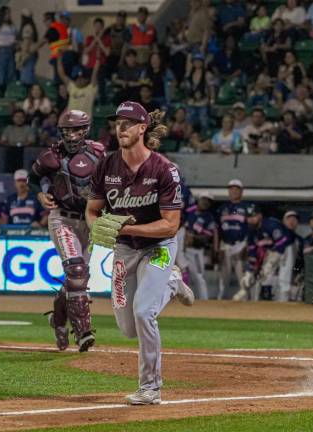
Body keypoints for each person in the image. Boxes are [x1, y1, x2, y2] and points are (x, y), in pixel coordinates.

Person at [86, 101, 194, 405]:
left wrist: (126, 229)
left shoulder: (164, 170)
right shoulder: (106, 166)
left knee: (144, 311)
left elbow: (170, 226)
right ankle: (173, 284)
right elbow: (92, 211)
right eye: (116, 123)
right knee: (127, 327)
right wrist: (97, 227)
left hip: (157, 248)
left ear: (142, 129)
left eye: (126, 123)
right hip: (123, 251)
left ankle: (150, 388)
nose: (119, 128)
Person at [28, 110, 106, 352]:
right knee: (76, 270)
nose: (71, 135)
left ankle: (59, 321)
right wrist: (41, 194)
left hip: (90, 220)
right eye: (66, 131)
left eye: (75, 130)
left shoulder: (98, 152)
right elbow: (33, 178)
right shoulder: (51, 155)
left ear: (85, 130)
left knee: (78, 279)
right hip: (62, 217)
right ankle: (83, 331)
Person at [233, 204, 295, 302]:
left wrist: (270, 263)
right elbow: (252, 252)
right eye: (248, 217)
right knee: (264, 277)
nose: (250, 219)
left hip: (286, 247)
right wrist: (249, 271)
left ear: (260, 216)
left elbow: (281, 245)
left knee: (283, 279)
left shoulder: (271, 225)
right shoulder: (250, 230)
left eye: (253, 216)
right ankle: (259, 305)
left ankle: (284, 305)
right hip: (270, 250)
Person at [217, 179, 249, 299]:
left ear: (241, 192)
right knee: (223, 277)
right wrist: (218, 247)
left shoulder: (246, 207)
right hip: (225, 244)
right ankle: (219, 301)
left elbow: (250, 228)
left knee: (242, 276)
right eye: (231, 189)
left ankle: (245, 302)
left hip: (240, 244)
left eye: (236, 189)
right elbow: (218, 229)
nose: (233, 191)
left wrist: (246, 246)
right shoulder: (223, 208)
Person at [185, 192, 217, 300]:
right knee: (181, 276)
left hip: (195, 251)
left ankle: (204, 301)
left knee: (199, 277)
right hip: (181, 250)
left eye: (209, 201)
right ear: (199, 199)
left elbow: (207, 238)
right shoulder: (188, 211)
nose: (206, 202)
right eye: (204, 199)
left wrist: (193, 237)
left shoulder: (209, 218)